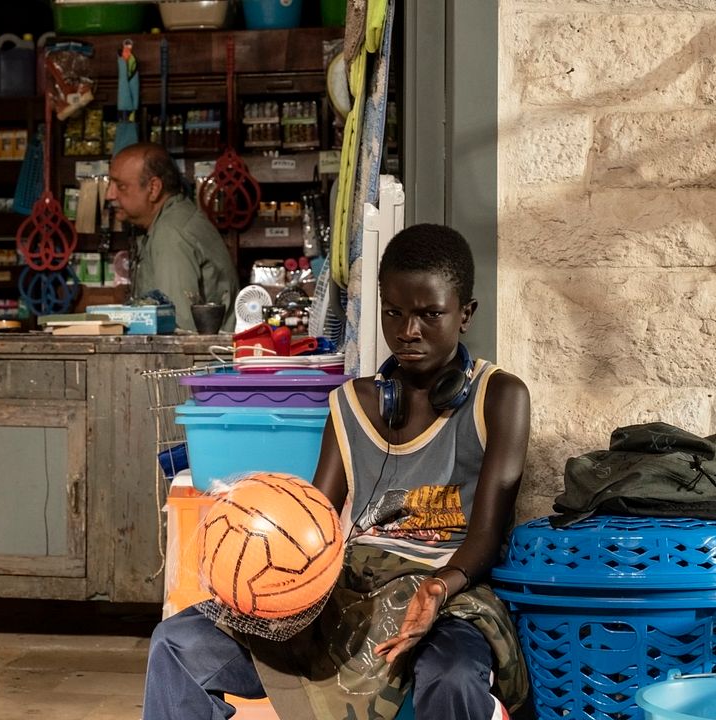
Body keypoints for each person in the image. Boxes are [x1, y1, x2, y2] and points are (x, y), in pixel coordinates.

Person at [144, 224, 532, 720]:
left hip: (450, 591)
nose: (408, 332)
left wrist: (436, 588)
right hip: (350, 589)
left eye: (429, 314)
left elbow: (488, 533)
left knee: (452, 676)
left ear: (465, 314)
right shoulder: (348, 404)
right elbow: (316, 518)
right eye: (394, 312)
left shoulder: (499, 397)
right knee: (178, 642)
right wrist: (254, 560)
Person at [105, 142, 240, 332]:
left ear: (153, 188)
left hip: (203, 359)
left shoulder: (171, 233)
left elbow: (177, 329)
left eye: (121, 186)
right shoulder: (166, 221)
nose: (109, 194)